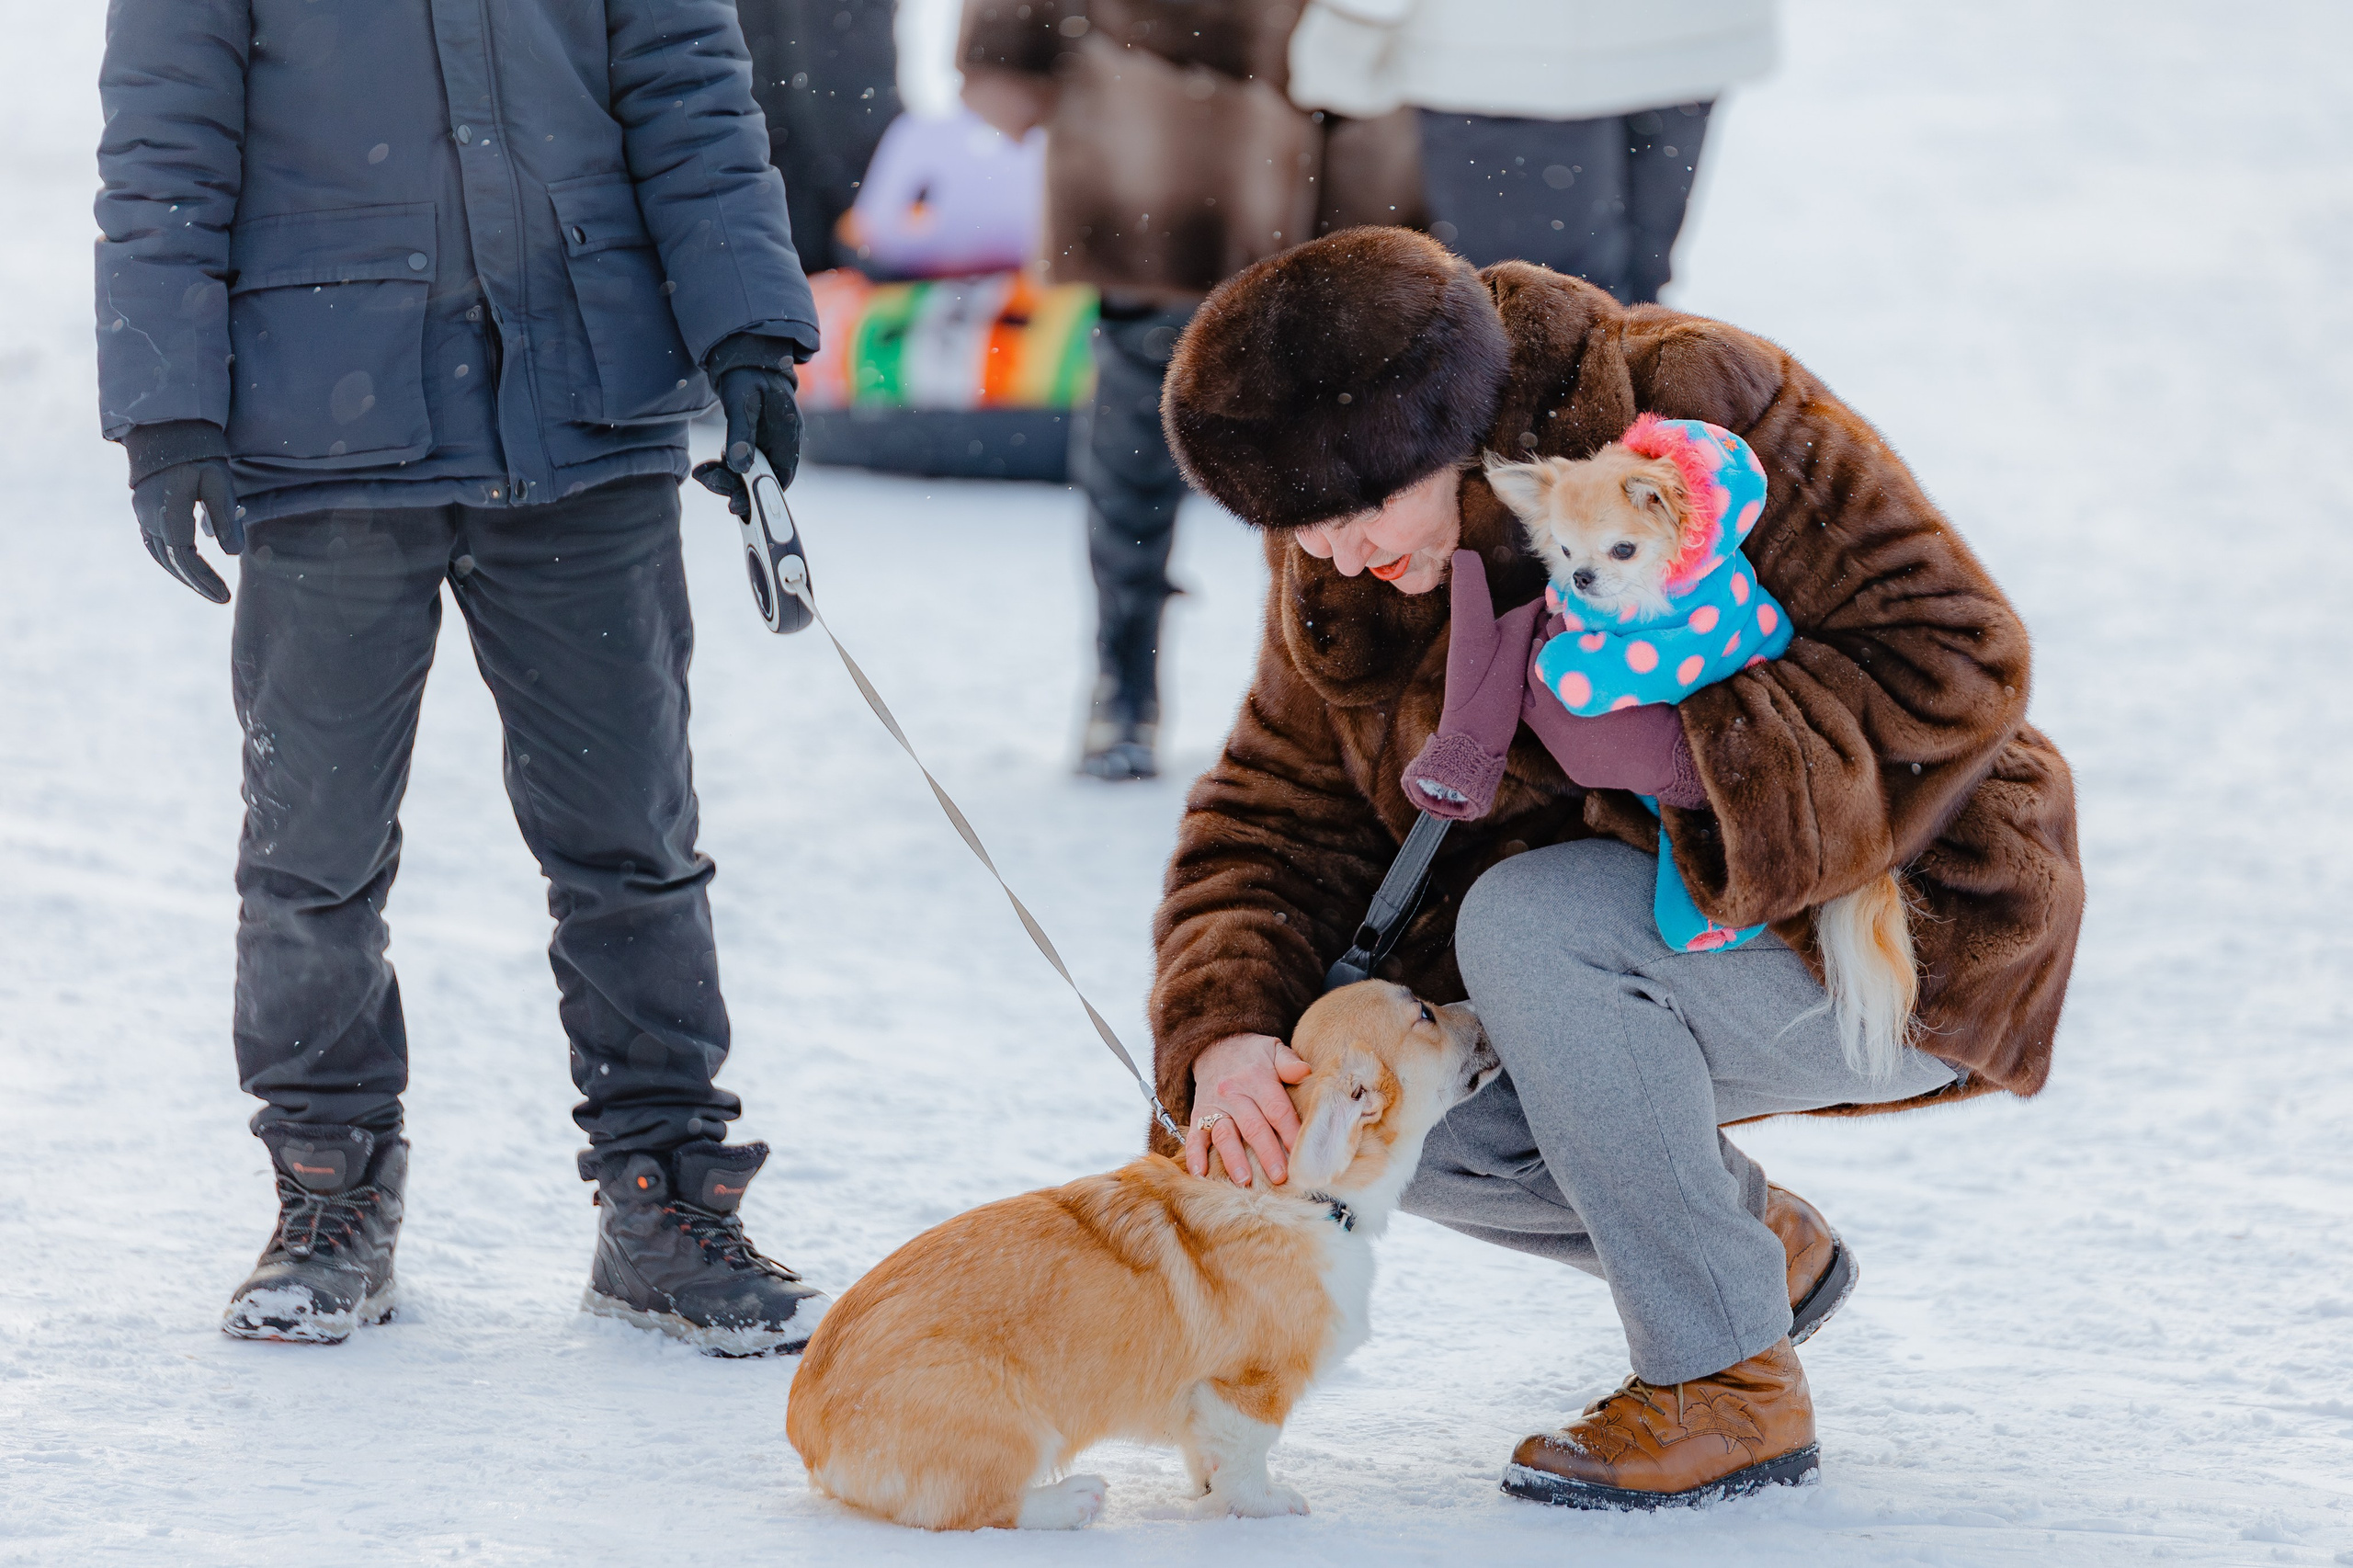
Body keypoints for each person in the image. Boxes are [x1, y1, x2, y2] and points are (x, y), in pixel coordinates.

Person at [1145, 228, 2084, 1508]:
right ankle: (1742, 1251)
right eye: (1297, 526)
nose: (1336, 554)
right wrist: (1227, 1034)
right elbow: (1276, 803)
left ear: (1440, 433)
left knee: (1529, 923)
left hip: (1893, 923)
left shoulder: (1690, 394)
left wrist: (1701, 754)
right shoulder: (1346, 553)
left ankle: (1723, 1378)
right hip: (1635, 951)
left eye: (1357, 512)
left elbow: (1958, 656)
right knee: (1358, 1101)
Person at [96, 0, 829, 1352]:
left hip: (586, 409)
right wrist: (166, 403)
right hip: (326, 426)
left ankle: (663, 1195)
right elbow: (164, 149)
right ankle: (329, 1190)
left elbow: (689, 95)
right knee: (313, 853)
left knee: (632, 843)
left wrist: (749, 331)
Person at [956, 0, 1427, 779]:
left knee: (1337, 436)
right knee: (1156, 411)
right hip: (1166, 112)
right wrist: (1006, 46)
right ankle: (1125, 680)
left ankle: (1327, 698)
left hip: (1339, 95)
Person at [1288, 0, 1776, 299]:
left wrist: (1353, 23)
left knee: (1536, 317)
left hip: (1510, 55)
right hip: (1691, 39)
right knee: (1629, 307)